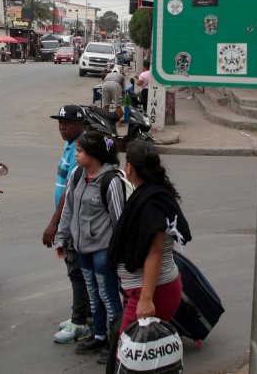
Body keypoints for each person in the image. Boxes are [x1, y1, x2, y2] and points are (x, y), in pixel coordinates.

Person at [54, 131, 126, 364]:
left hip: (103, 250)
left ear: (93, 155)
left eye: (80, 151)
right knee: (93, 295)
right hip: (81, 248)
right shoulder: (77, 175)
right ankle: (99, 335)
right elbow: (69, 211)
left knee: (108, 296)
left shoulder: (111, 181)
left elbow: (119, 219)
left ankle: (115, 344)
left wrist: (119, 253)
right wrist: (63, 238)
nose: (76, 154)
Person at [108, 140, 192, 336]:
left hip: (151, 294)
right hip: (150, 289)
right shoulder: (153, 194)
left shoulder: (149, 203)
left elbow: (156, 250)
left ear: (130, 168)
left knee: (129, 356)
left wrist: (146, 299)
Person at [43, 104, 92, 345]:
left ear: (80, 124)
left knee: (76, 271)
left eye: (67, 123)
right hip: (68, 218)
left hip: (74, 220)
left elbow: (70, 191)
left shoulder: (80, 150)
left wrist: (55, 224)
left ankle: (80, 321)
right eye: (60, 122)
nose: (62, 127)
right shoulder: (70, 145)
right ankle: (87, 315)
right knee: (76, 269)